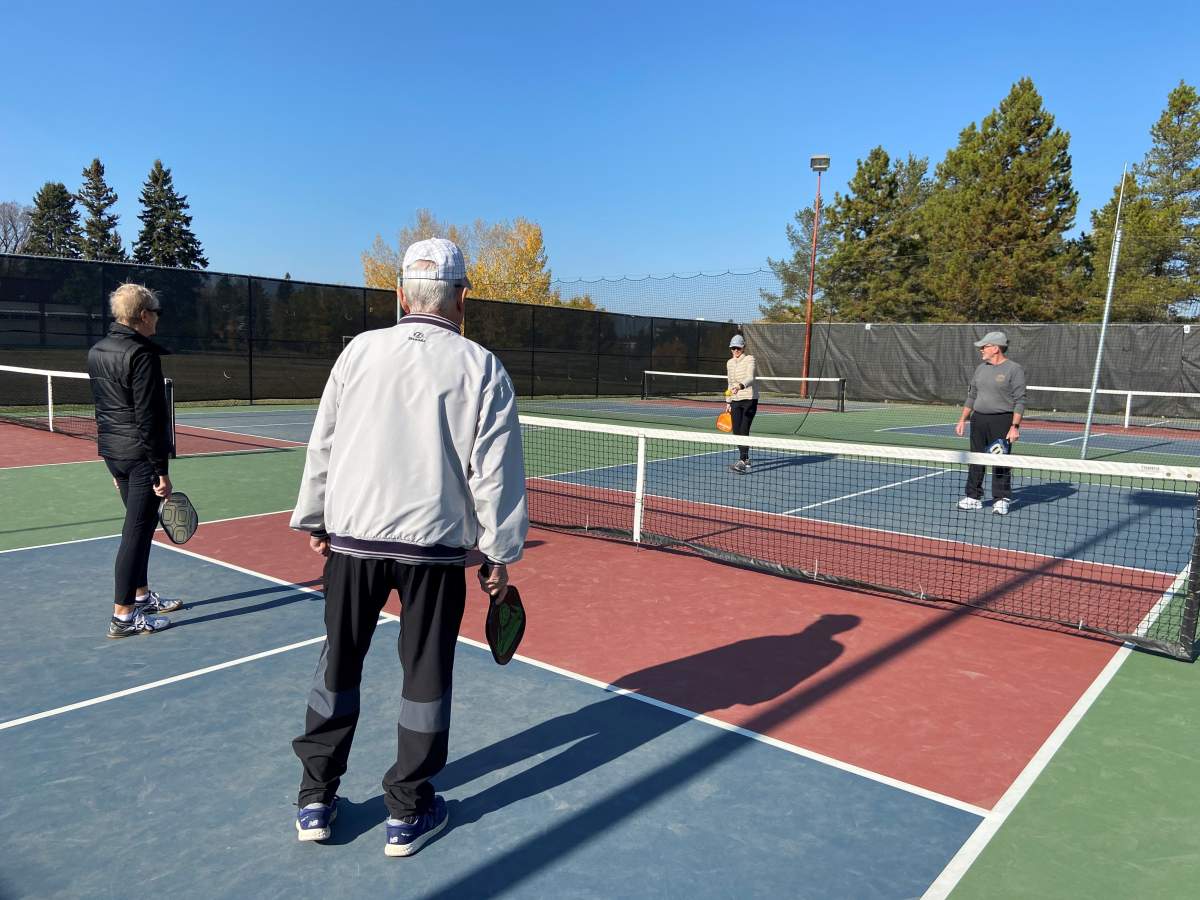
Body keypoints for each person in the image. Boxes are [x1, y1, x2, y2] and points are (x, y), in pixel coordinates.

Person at [289, 237, 528, 857]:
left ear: (401, 294)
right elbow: (495, 474)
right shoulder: (482, 366)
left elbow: (325, 443)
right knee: (425, 677)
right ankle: (408, 811)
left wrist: (316, 515)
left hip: (353, 542)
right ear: (462, 298)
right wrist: (499, 553)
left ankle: (316, 797)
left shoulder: (358, 352)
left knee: (337, 664)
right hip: (435, 553)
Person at [87, 283, 183, 638]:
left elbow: (104, 411)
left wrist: (111, 462)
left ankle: (141, 596)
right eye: (155, 313)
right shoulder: (142, 355)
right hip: (141, 458)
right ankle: (123, 616)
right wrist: (161, 470)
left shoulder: (97, 350)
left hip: (116, 453)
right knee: (136, 533)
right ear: (143, 315)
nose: (157, 319)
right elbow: (149, 417)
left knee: (140, 529)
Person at [954, 330, 1026, 515]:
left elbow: (1020, 400)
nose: (981, 350)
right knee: (976, 458)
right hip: (979, 420)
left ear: (995, 348)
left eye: (984, 346)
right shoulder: (980, 369)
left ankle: (1001, 499)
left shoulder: (1014, 369)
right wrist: (963, 419)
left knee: (999, 460)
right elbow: (972, 396)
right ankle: (973, 497)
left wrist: (1014, 426)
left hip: (1002, 421)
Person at [725, 333, 758, 473]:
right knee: (737, 431)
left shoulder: (750, 359)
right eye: (733, 348)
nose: (736, 351)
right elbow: (729, 382)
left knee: (744, 429)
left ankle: (742, 460)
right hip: (735, 400)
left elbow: (750, 377)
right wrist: (728, 401)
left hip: (749, 399)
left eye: (738, 348)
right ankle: (746, 458)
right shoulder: (729, 363)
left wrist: (740, 386)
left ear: (743, 347)